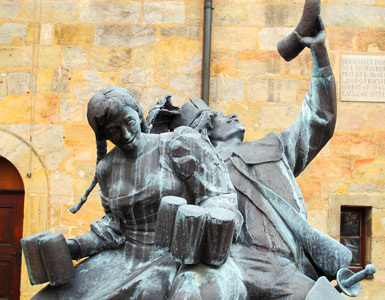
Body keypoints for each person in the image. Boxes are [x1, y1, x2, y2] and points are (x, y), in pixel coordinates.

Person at [149, 18, 352, 299]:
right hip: (229, 264)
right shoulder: (191, 168)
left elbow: (320, 120)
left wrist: (319, 53)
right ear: (205, 131)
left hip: (284, 266)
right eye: (219, 117)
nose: (232, 115)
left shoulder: (273, 148)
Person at [32, 86, 243, 300]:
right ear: (103, 135)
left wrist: (202, 222)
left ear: (138, 114)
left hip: (178, 257)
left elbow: (219, 195)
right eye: (113, 130)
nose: (125, 134)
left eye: (129, 122)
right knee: (48, 297)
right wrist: (75, 248)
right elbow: (114, 226)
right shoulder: (107, 168)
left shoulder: (179, 144)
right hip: (126, 257)